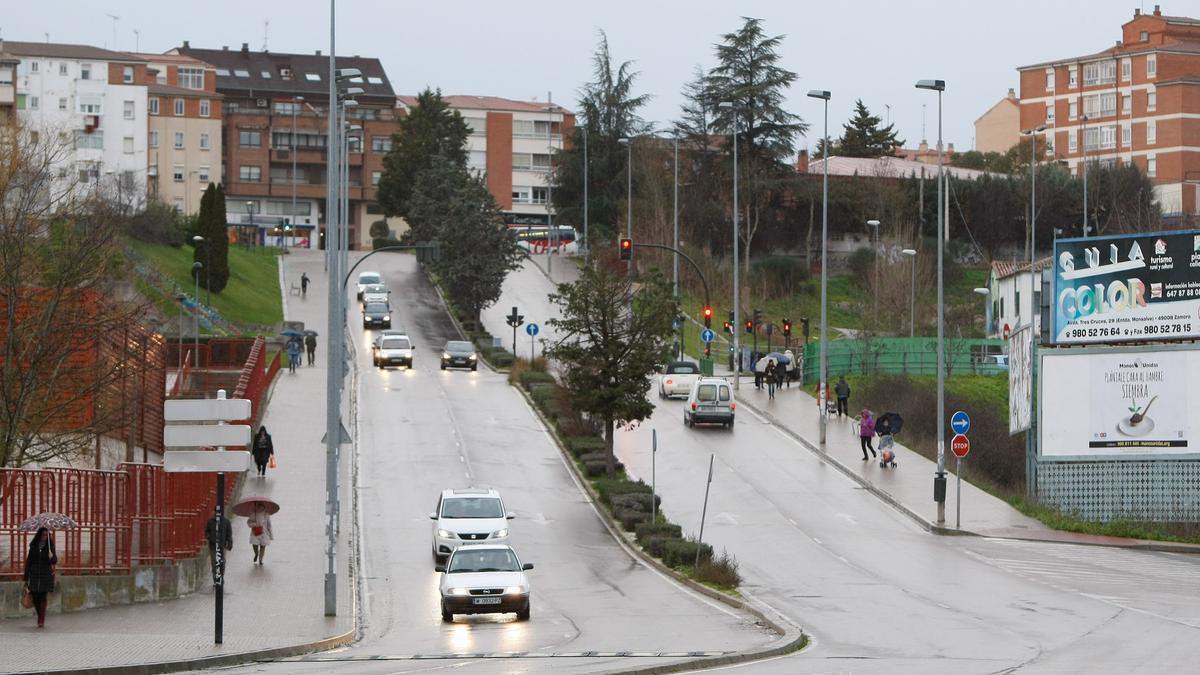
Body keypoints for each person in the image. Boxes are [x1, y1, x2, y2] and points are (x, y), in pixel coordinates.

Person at [23, 527, 57, 628]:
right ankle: (39, 614)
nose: (44, 537)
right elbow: (29, 562)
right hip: (34, 574)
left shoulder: (50, 547)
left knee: (42, 595)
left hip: (45, 574)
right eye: (43, 535)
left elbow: (54, 561)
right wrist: (26, 577)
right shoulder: (33, 546)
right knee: (35, 596)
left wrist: (52, 557)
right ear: (39, 535)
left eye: (46, 535)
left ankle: (41, 619)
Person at [205, 509, 233, 583]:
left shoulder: (226, 522)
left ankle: (221, 577)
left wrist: (229, 544)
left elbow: (229, 534)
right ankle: (216, 579)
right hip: (213, 545)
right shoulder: (210, 522)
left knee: (222, 562)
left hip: (222, 545)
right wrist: (210, 537)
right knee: (214, 563)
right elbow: (207, 531)